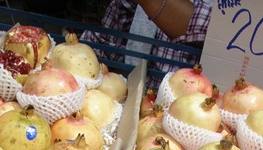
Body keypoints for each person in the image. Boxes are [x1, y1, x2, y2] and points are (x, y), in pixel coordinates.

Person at [80, 0, 213, 87]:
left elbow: (209, 29)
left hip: (188, 112)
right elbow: (107, 42)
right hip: (132, 102)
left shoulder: (221, 12)